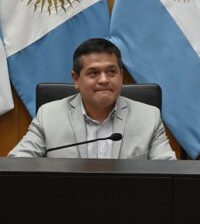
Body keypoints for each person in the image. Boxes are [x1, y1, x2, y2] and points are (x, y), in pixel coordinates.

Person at [8, 38, 176, 160]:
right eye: (93, 73)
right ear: (76, 79)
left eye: (111, 72)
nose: (104, 80)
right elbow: (17, 164)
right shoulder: (49, 115)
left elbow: (168, 173)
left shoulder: (149, 117)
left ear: (121, 75)